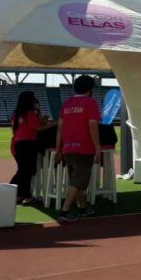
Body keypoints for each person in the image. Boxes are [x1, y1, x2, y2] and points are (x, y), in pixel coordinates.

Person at [56, 76, 101, 222]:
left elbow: (60, 128)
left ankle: (83, 207)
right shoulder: (90, 103)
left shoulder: (66, 104)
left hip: (68, 146)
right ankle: (65, 211)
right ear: (90, 89)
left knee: (75, 180)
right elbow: (93, 126)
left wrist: (58, 149)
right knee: (78, 180)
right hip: (84, 147)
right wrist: (97, 148)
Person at [9, 91, 52, 205]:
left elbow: (17, 128)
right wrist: (53, 124)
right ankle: (22, 195)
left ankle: (20, 194)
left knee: (24, 170)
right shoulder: (29, 113)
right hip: (28, 144)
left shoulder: (16, 114)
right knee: (26, 171)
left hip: (18, 144)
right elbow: (38, 128)